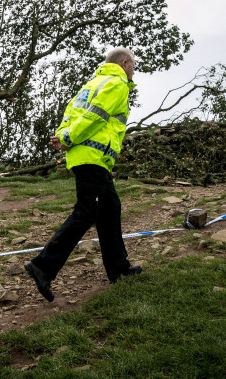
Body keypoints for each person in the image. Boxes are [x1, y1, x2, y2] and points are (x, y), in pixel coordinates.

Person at [25, 47, 142, 302]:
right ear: (124, 63)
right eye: (133, 65)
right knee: (87, 211)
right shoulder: (117, 83)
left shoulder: (91, 84)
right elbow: (93, 118)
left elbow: (71, 113)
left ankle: (119, 269)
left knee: (110, 207)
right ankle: (43, 266)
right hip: (93, 157)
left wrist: (62, 137)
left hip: (84, 156)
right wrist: (67, 138)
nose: (134, 70)